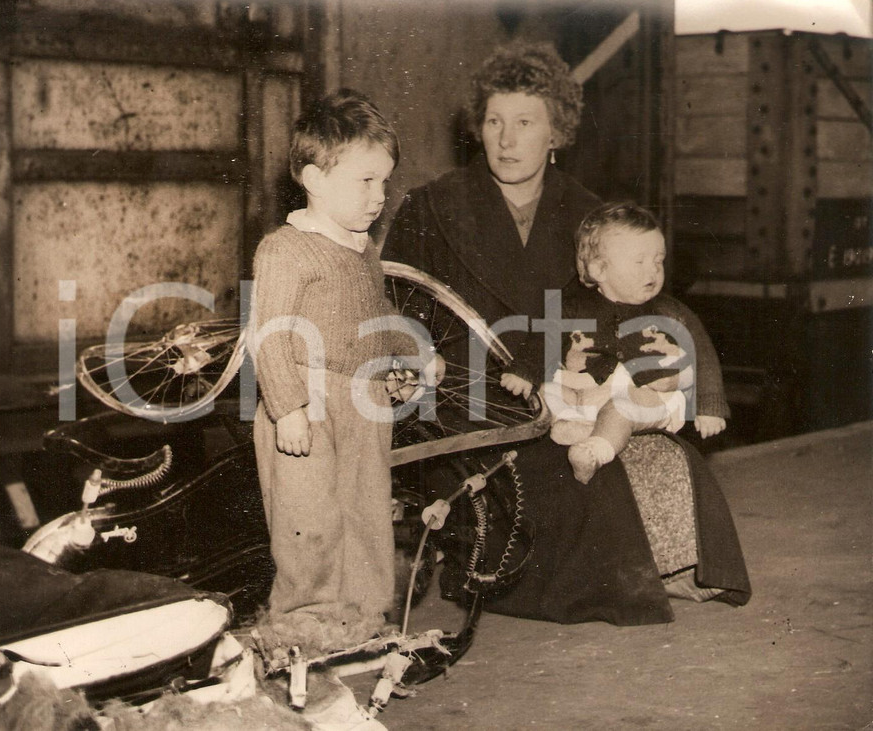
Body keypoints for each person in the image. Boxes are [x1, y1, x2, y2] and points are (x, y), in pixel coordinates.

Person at [385, 41, 750, 625]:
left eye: (525, 123)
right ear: (478, 128)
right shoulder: (433, 206)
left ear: (556, 132)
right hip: (468, 398)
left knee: (664, 455)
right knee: (573, 474)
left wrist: (656, 362)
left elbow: (632, 309)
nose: (506, 140)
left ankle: (670, 567)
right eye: (494, 121)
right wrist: (410, 366)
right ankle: (614, 580)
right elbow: (396, 310)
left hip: (568, 385)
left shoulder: (590, 215)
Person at [247, 89, 441, 650]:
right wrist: (289, 410)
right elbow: (272, 333)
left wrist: (416, 353)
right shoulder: (287, 250)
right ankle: (304, 623)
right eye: (366, 182)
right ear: (313, 178)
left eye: (385, 181)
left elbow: (377, 319)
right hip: (308, 402)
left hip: (364, 402)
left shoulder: (361, 250)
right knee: (309, 519)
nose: (380, 197)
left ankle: (362, 620)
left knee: (365, 513)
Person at [502, 201, 730, 484]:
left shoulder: (669, 311)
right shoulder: (569, 307)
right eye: (639, 262)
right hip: (585, 394)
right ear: (599, 269)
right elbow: (542, 341)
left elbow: (702, 353)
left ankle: (595, 450)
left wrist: (709, 406)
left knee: (621, 408)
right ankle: (571, 426)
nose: (653, 271)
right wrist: (524, 370)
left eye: (658, 261)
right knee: (547, 391)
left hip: (644, 395)